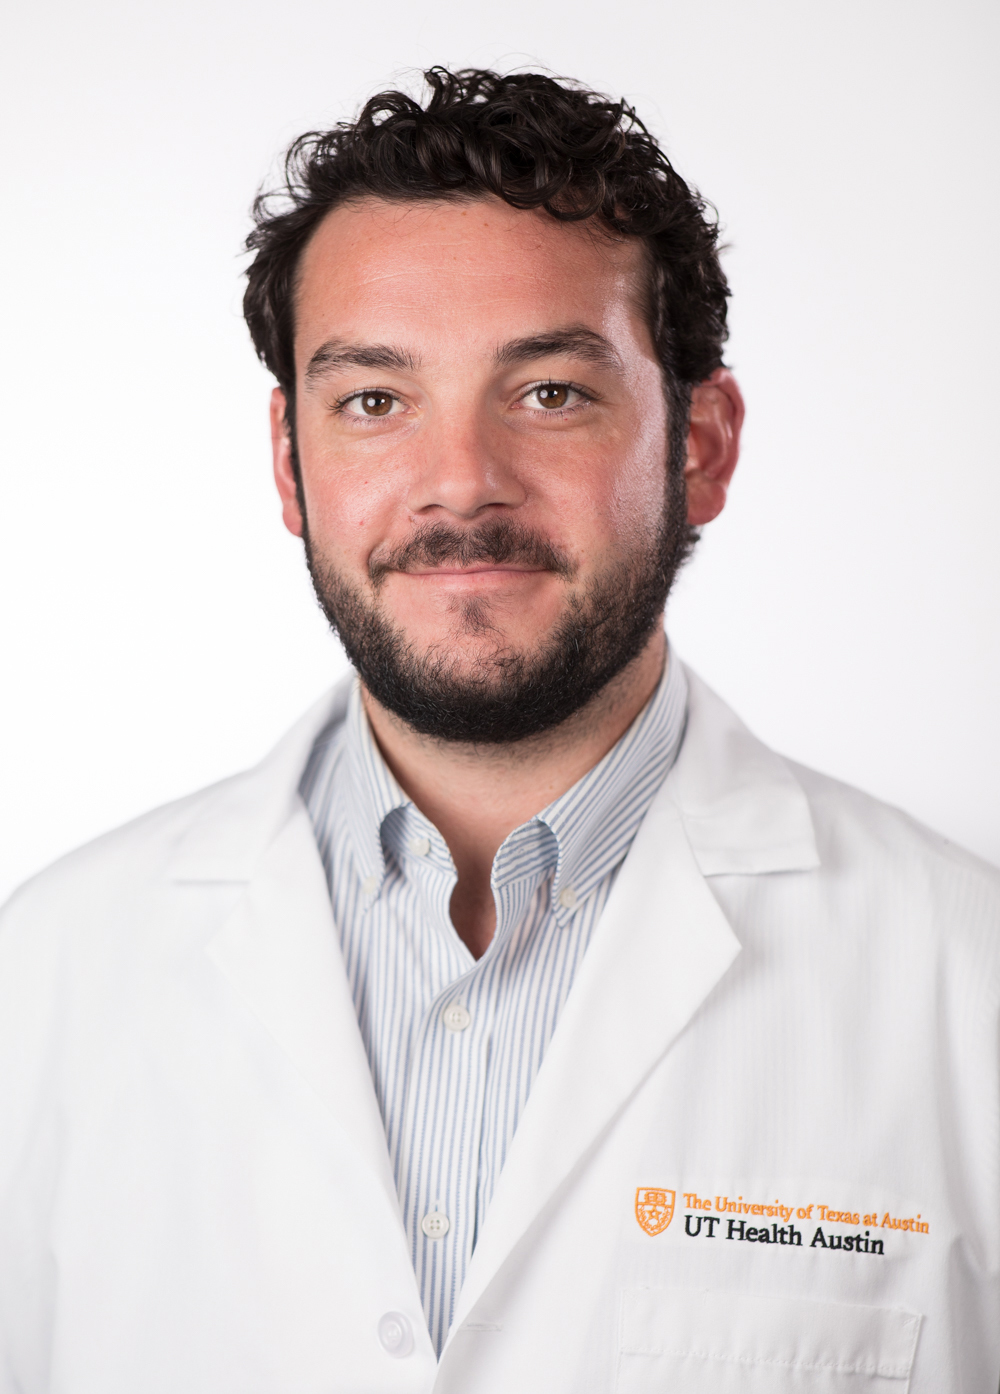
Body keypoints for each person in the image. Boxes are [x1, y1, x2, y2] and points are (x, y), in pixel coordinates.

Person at [0, 67, 997, 1394]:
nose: (461, 481)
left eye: (549, 393)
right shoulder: (46, 982)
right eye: (374, 399)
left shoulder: (963, 986)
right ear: (292, 466)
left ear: (700, 443)